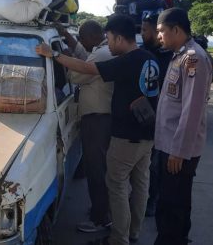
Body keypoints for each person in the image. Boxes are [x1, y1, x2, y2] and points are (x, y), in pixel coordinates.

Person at [36, 14, 159, 245]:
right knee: (141, 183)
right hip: (146, 133)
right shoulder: (148, 58)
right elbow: (86, 58)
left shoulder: (123, 61)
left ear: (120, 38)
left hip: (127, 134)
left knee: (116, 184)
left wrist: (53, 54)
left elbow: (83, 69)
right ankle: (133, 232)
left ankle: (117, 238)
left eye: (110, 38)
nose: (108, 42)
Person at [153, 8, 213, 245]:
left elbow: (192, 110)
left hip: (177, 150)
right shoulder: (179, 55)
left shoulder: (193, 58)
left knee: (173, 205)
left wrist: (179, 150)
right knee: (169, 201)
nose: (159, 36)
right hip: (168, 144)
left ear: (176, 29)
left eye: (161, 31)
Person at [60, 21, 115, 233]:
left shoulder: (101, 54)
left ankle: (100, 218)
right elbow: (85, 57)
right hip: (101, 118)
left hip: (97, 120)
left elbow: (76, 74)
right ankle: (101, 211)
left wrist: (63, 57)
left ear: (92, 37)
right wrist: (68, 37)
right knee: (99, 168)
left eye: (83, 39)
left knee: (96, 170)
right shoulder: (101, 50)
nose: (81, 43)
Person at [141, 12, 174, 218]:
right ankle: (143, 198)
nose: (142, 33)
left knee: (154, 165)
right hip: (143, 116)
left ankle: (152, 200)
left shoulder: (169, 56)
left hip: (161, 118)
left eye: (145, 30)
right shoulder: (141, 52)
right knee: (143, 164)